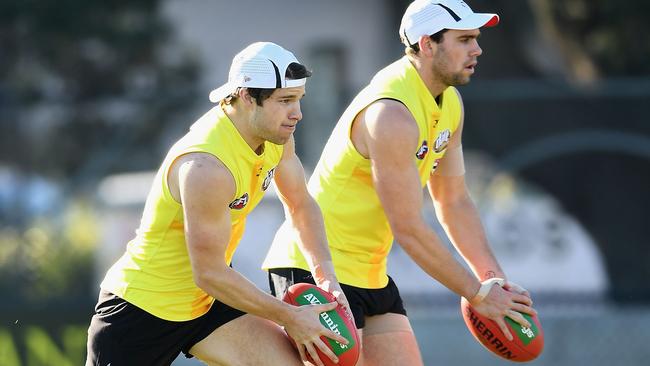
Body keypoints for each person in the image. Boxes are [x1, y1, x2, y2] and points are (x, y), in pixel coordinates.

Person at [263, 1, 537, 365]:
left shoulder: (450, 103)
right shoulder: (391, 114)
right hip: (313, 269)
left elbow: (452, 201)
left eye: (476, 38)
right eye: (465, 39)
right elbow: (407, 227)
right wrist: (476, 293)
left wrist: (493, 282)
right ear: (427, 44)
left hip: (370, 274)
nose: (478, 49)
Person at [86, 42, 352, 366]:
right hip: (142, 311)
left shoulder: (276, 135)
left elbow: (300, 204)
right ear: (246, 97)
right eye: (285, 101)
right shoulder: (206, 167)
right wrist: (290, 316)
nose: (297, 113)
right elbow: (209, 272)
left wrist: (326, 278)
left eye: (298, 99)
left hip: (207, 304)